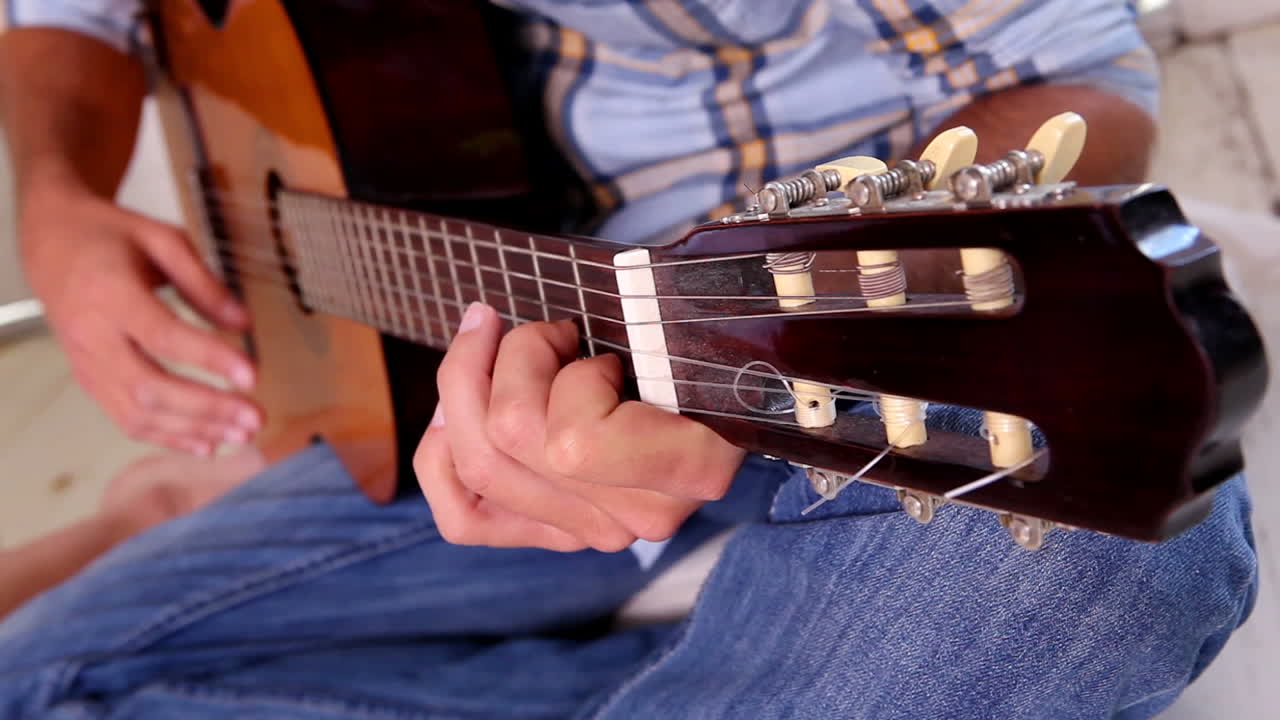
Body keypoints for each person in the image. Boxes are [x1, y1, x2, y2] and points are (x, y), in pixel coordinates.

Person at [0, 1, 1258, 718]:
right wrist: (55, 199)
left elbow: (1074, 78)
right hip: (452, 364)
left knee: (1105, 550)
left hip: (826, 324)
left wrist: (769, 278)